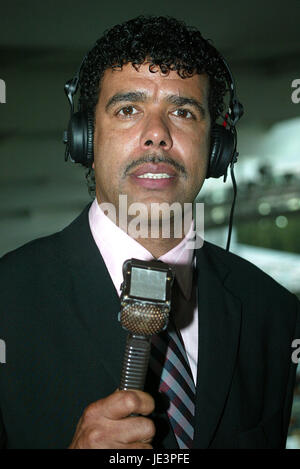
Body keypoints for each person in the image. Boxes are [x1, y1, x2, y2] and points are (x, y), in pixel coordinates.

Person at [0, 15, 299, 450]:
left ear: (217, 148)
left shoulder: (271, 312)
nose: (156, 135)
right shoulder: (7, 300)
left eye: (182, 111)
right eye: (128, 110)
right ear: (85, 139)